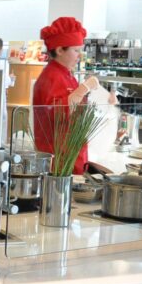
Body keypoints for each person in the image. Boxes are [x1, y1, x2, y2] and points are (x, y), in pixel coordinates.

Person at [31, 17, 99, 175]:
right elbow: (55, 114)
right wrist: (84, 88)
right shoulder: (50, 77)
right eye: (76, 50)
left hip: (71, 155)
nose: (79, 56)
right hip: (59, 161)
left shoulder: (67, 75)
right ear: (60, 50)